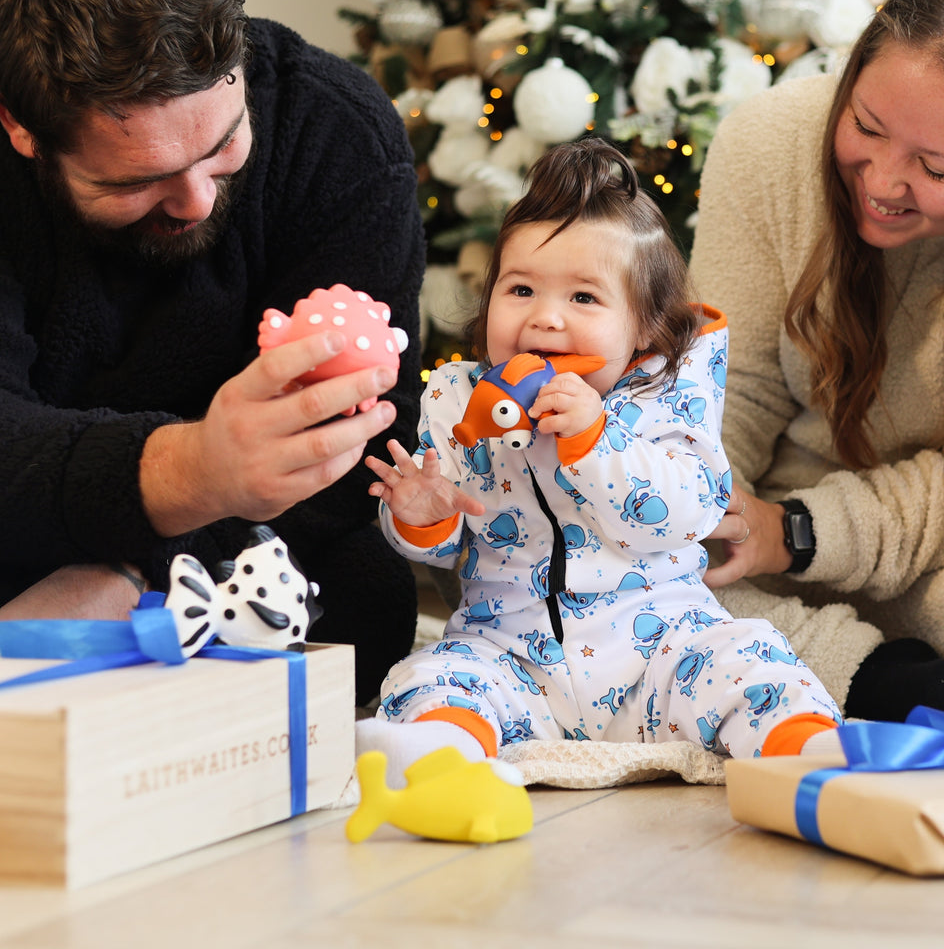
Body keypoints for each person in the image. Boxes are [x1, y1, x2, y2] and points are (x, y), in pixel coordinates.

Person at [0, 0, 425, 700]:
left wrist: (136, 572)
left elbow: (364, 444)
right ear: (22, 130)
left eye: (225, 142)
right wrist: (188, 468)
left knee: (368, 594)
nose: (196, 201)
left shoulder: (333, 129)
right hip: (31, 522)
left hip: (238, 548)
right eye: (136, 180)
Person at [356, 137, 841, 777]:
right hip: (511, 654)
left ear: (643, 327)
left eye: (583, 298)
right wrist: (421, 516)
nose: (546, 319)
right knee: (434, 674)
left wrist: (594, 439)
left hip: (660, 653)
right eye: (521, 289)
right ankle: (442, 760)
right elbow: (442, 548)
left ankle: (805, 752)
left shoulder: (668, 398)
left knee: (749, 658)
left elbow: (689, 512)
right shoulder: (459, 401)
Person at [689, 0, 944, 735]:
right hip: (773, 512)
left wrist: (801, 534)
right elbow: (730, 391)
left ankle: (816, 666)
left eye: (935, 168)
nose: (880, 181)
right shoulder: (768, 142)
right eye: (866, 126)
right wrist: (705, 515)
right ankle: (867, 673)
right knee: (627, 568)